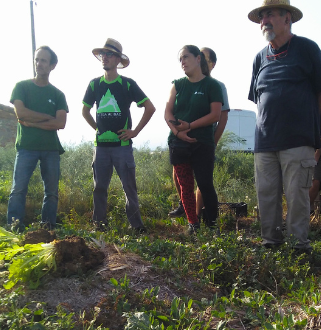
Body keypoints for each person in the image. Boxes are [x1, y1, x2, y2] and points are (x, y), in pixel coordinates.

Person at [247, 0, 321, 250]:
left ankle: (298, 247)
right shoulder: (259, 57)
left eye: (270, 15)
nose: (264, 21)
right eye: (262, 17)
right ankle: (270, 243)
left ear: (287, 18)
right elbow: (258, 99)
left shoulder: (307, 48)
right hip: (265, 142)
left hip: (298, 139)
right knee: (267, 196)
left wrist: (302, 121)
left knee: (297, 196)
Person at [83, 39, 154, 233]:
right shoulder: (94, 84)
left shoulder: (127, 84)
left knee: (129, 188)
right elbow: (85, 111)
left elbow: (150, 107)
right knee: (99, 188)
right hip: (101, 148)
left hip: (123, 147)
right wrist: (97, 129)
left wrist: (135, 131)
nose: (105, 58)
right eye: (103, 54)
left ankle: (137, 227)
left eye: (109, 54)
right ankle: (99, 226)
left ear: (118, 59)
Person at [7, 46, 68, 230]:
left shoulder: (58, 94)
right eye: (37, 60)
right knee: (18, 190)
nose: (39, 64)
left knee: (51, 192)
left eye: (43, 61)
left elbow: (60, 123)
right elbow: (20, 113)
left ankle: (47, 228)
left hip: (50, 149)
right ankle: (14, 227)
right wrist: (48, 117)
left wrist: (33, 122)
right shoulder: (21, 87)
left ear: (52, 66)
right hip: (26, 147)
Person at [164, 45, 222, 233]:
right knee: (185, 186)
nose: (183, 62)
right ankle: (193, 224)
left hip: (202, 143)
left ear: (198, 59)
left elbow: (215, 115)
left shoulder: (212, 85)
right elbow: (167, 112)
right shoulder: (177, 84)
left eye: (186, 57)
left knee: (205, 184)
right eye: (180, 59)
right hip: (178, 143)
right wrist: (178, 132)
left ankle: (212, 226)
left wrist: (190, 126)